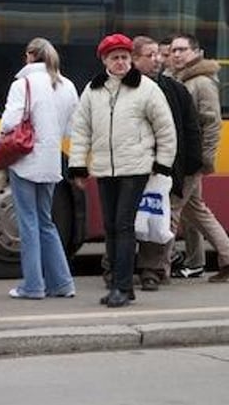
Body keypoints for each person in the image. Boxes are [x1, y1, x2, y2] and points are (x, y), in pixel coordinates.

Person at [68, 33, 177, 307]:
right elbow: (81, 130)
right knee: (110, 226)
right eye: (115, 58)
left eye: (125, 57)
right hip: (105, 168)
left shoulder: (147, 88)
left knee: (124, 225)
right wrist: (78, 166)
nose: (120, 63)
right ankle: (120, 284)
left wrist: (162, 162)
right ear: (105, 60)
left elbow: (165, 128)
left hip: (136, 166)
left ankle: (123, 285)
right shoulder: (94, 90)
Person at [3, 38, 79, 300]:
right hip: (51, 161)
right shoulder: (67, 85)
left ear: (29, 55)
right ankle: (62, 283)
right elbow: (70, 129)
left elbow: (9, 122)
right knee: (46, 221)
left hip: (24, 161)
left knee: (28, 221)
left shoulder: (22, 84)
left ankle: (33, 285)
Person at [168, 33, 229, 282]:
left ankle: (159, 266)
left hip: (191, 160)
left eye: (182, 50)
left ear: (196, 52)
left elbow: (212, 124)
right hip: (184, 158)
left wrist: (205, 160)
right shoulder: (181, 79)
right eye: (173, 50)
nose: (177, 54)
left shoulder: (201, 82)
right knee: (196, 210)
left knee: (171, 208)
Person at [131, 36, 204, 291]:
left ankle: (155, 270)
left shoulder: (173, 89)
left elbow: (187, 129)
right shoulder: (118, 88)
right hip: (130, 165)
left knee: (157, 217)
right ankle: (122, 267)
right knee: (129, 218)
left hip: (161, 166)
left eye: (157, 55)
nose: (158, 60)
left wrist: (192, 165)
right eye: (150, 56)